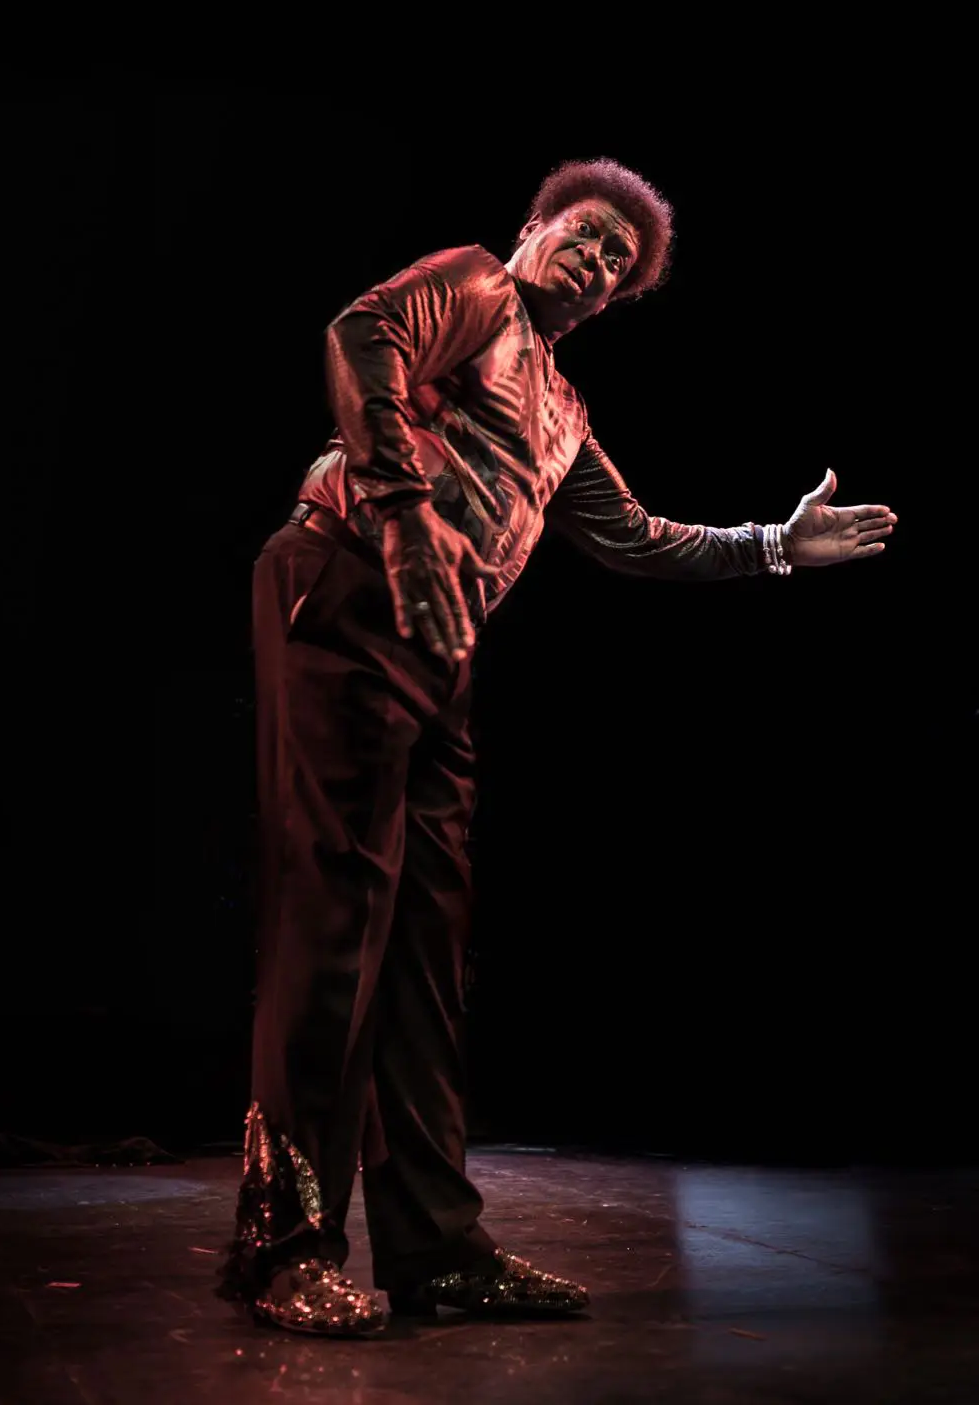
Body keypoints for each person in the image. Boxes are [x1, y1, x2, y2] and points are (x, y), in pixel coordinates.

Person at [216, 158, 897, 1335]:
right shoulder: (476, 285)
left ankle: (435, 1248)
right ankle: (284, 1246)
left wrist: (774, 547)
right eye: (583, 235)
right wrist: (402, 511)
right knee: (335, 925)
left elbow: (636, 536)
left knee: (426, 954)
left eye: (616, 264)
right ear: (531, 230)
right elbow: (363, 330)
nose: (595, 262)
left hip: (439, 643)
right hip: (350, 580)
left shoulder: (564, 411)